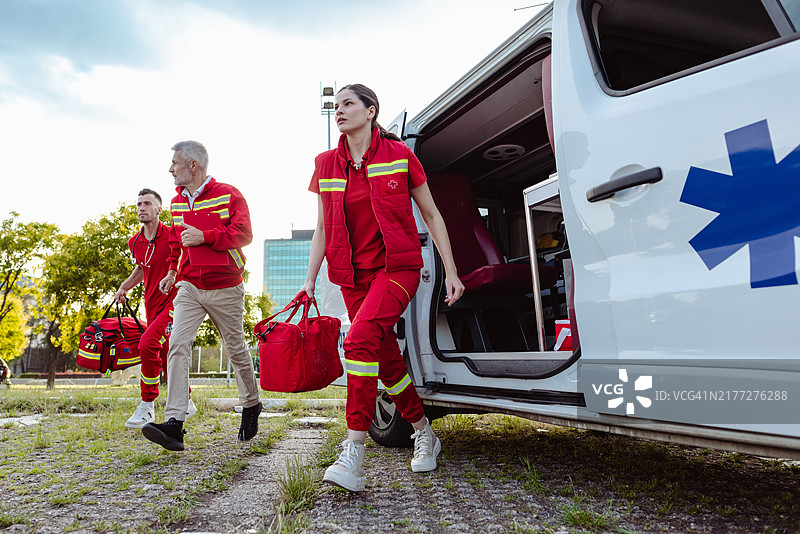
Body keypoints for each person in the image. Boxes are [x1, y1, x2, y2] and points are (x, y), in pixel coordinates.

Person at [301, 84, 465, 492]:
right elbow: (322, 226)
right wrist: (309, 279)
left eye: (348, 104)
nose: (339, 111)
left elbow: (431, 214)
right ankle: (424, 431)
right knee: (387, 359)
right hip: (352, 277)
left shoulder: (400, 156)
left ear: (371, 111)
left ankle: (354, 450)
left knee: (357, 341)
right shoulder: (325, 163)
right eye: (335, 106)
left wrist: (452, 271)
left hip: (397, 269)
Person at [141, 141, 262, 452]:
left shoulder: (229, 194)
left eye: (175, 163)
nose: (170, 169)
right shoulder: (177, 202)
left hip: (226, 286)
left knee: (236, 349)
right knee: (177, 345)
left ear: (192, 166)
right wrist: (171, 272)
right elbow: (179, 245)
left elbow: (245, 233)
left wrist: (207, 236)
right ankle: (175, 424)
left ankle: (251, 405)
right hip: (189, 286)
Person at [114, 188, 197, 428]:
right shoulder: (135, 242)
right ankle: (187, 401)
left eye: (147, 203)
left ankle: (147, 406)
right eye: (139, 204)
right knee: (166, 352)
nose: (142, 207)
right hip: (151, 305)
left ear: (159, 210)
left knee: (147, 344)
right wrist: (124, 287)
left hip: (176, 302)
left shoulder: (173, 234)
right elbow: (142, 268)